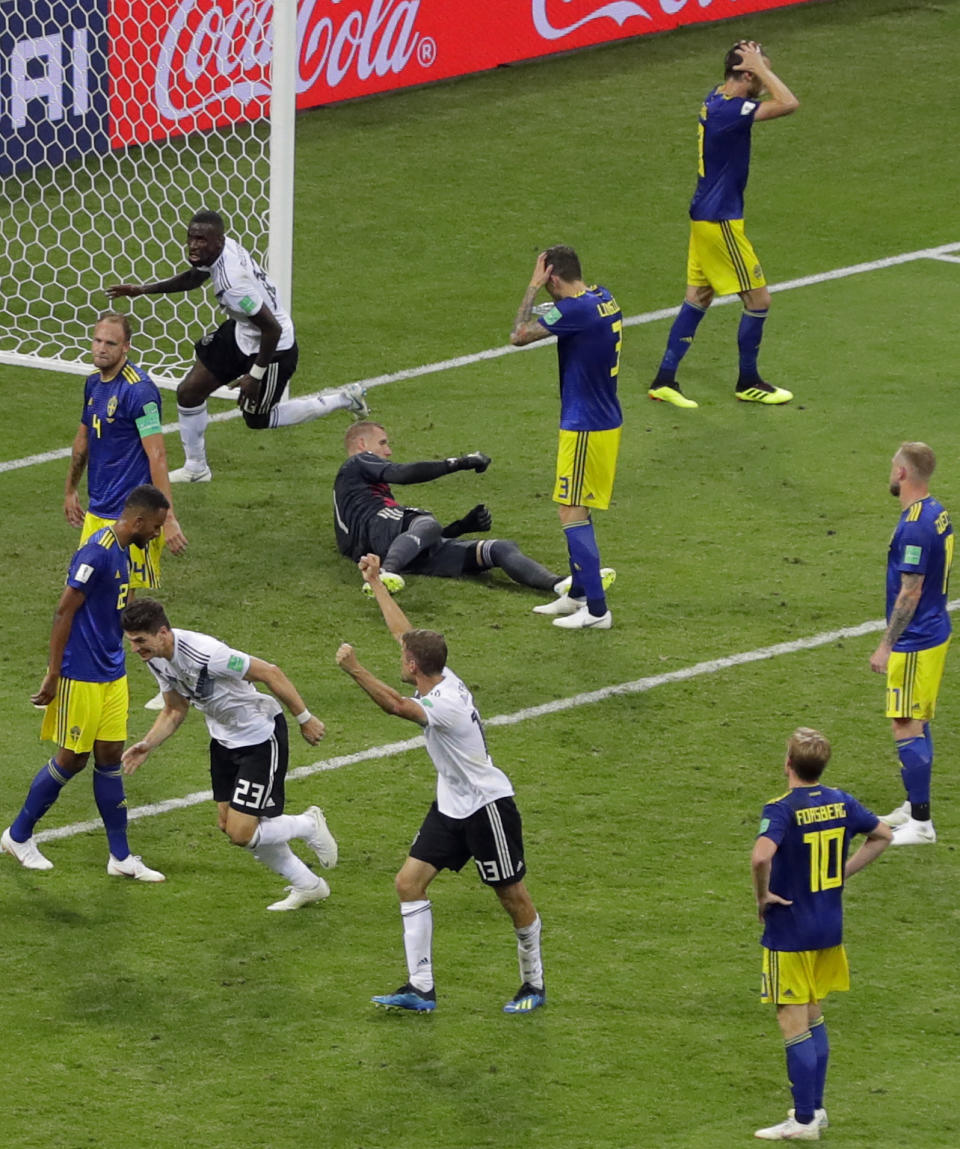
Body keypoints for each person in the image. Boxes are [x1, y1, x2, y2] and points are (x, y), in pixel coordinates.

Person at [336, 553, 545, 1014]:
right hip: (452, 804)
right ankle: (420, 988)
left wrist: (355, 669)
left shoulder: (444, 703)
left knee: (512, 897)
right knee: (409, 883)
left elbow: (395, 707)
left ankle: (533, 984)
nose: (400, 656)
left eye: (403, 658)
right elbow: (402, 632)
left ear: (413, 666)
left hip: (487, 807)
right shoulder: (439, 675)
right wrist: (376, 584)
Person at [106, 209, 368, 483]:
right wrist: (143, 290)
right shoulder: (221, 249)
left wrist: (254, 376)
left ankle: (345, 399)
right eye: (191, 238)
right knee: (189, 393)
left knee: (257, 420)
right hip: (243, 333)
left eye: (201, 240)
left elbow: (272, 329)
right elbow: (194, 278)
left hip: (274, 349)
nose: (194, 245)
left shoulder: (233, 285)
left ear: (218, 241)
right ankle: (196, 468)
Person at [120, 598, 338, 911]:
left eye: (140, 641)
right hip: (223, 740)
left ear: (163, 633)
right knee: (229, 824)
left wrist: (305, 718)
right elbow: (174, 708)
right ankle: (308, 885)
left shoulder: (209, 654)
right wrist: (148, 745)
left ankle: (307, 825)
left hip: (260, 738)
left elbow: (270, 672)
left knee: (242, 832)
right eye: (131, 642)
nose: (136, 649)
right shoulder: (156, 659)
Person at [1, 485, 171, 880]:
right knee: (72, 758)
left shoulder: (126, 552)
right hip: (81, 673)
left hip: (112, 672)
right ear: (140, 520)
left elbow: (116, 609)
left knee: (110, 756)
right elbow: (64, 612)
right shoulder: (97, 551)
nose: (158, 534)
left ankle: (121, 857)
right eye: (157, 526)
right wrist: (53, 672)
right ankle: (17, 835)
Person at [751, 727, 891, 1141]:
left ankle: (805, 1119)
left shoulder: (781, 808)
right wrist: (840, 873)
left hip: (790, 929)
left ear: (787, 764)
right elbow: (882, 834)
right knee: (813, 1014)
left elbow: (761, 855)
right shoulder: (841, 800)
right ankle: (816, 1110)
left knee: (790, 1019)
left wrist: (762, 897)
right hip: (828, 926)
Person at [648, 40, 799, 409]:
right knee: (759, 299)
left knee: (698, 296)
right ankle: (749, 381)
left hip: (704, 216)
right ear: (747, 75)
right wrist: (762, 70)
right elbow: (789, 103)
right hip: (720, 220)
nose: (766, 77)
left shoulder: (715, 98)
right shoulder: (730, 111)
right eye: (761, 72)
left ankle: (664, 380)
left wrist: (753, 63)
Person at [510, 244, 620, 629]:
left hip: (587, 424)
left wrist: (531, 287)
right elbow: (566, 315)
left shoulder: (574, 310)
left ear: (553, 278)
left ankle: (597, 609)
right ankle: (576, 596)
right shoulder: (602, 298)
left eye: (547, 281)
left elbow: (519, 335)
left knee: (571, 510)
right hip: (597, 418)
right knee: (575, 506)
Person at [334, 421, 572, 599]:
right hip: (374, 543)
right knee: (425, 522)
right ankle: (385, 574)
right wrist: (460, 462)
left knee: (499, 548)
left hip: (389, 549)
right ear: (362, 444)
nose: (388, 451)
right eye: (383, 443)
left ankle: (560, 584)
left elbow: (413, 538)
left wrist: (461, 527)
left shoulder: (363, 491)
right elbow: (403, 474)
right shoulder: (356, 463)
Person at [64, 312, 187, 586]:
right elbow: (82, 441)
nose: (101, 348)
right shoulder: (94, 383)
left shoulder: (139, 392)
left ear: (126, 347)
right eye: (97, 341)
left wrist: (167, 518)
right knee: (85, 593)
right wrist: (71, 489)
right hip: (97, 512)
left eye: (110, 343)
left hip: (131, 517)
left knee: (123, 605)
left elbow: (157, 456)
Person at [869, 442, 952, 846]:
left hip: (917, 639)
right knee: (917, 719)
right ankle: (912, 803)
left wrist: (886, 645)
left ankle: (921, 824)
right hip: (933, 630)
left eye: (892, 466)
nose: (890, 472)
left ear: (903, 473)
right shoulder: (935, 511)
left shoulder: (915, 525)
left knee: (904, 723)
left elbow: (911, 591)